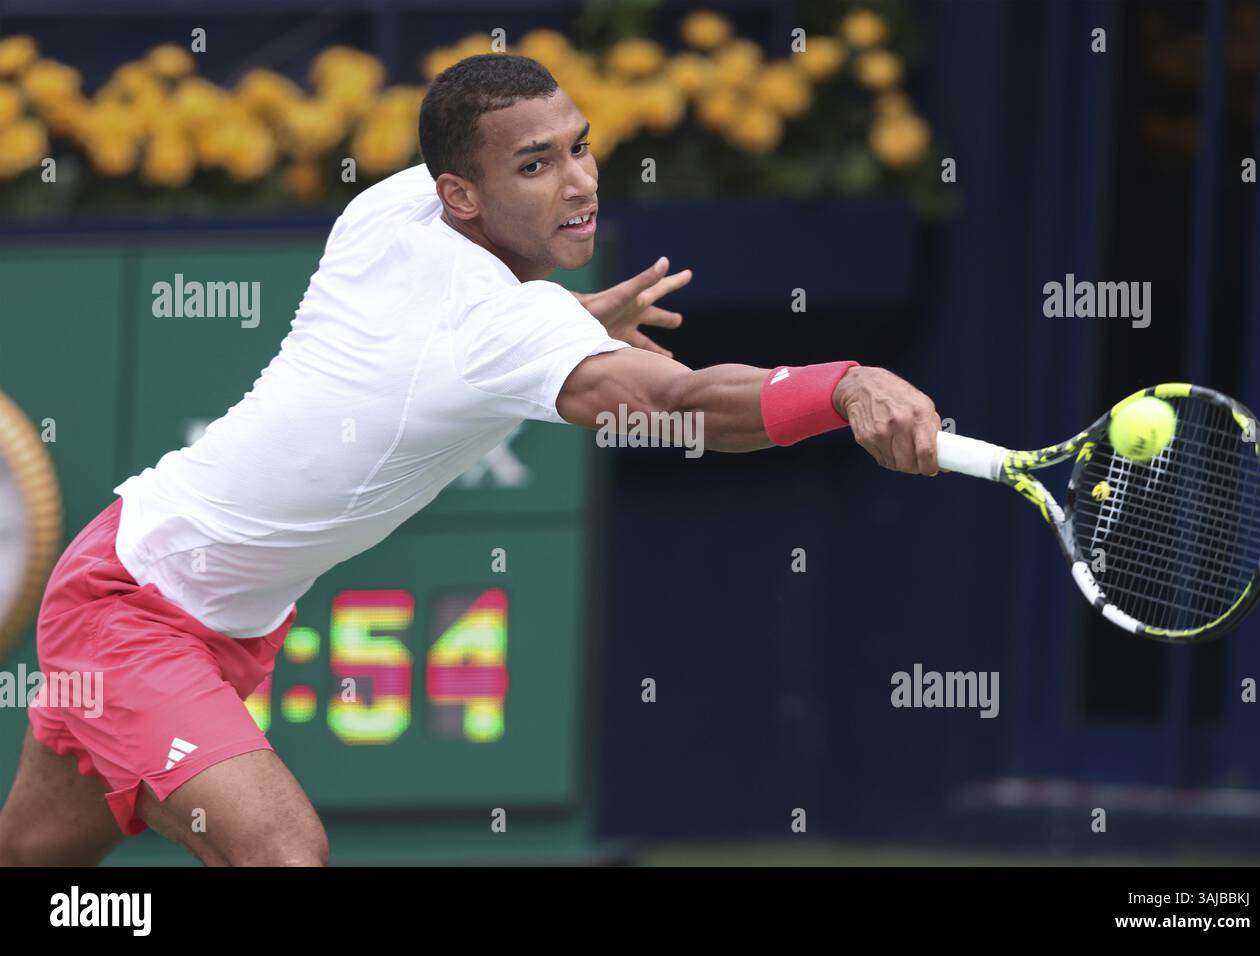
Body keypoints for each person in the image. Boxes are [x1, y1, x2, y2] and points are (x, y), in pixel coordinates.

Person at [0, 54, 940, 866]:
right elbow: (675, 402)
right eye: (535, 165)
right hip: (130, 609)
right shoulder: (502, 322)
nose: (577, 182)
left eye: (578, 145)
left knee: (37, 859)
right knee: (283, 853)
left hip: (191, 592)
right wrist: (846, 383)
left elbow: (441, 343)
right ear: (459, 192)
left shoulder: (393, 210)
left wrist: (569, 322)